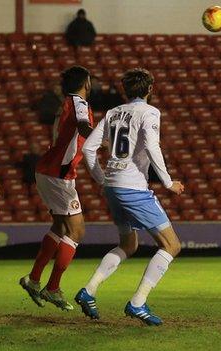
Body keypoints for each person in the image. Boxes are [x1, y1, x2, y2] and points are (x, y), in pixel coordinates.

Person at [75, 68, 184, 326]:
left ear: (125, 90)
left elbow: (89, 148)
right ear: (149, 89)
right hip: (133, 188)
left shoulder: (112, 113)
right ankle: (137, 303)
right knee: (171, 245)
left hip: (113, 187)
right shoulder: (149, 112)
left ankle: (88, 290)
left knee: (129, 245)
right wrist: (168, 182)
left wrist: (102, 179)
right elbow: (152, 146)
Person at [19, 66, 94, 311]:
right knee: (77, 231)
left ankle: (33, 278)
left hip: (48, 170)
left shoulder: (65, 103)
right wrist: (103, 139)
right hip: (58, 175)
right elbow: (83, 127)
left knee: (60, 227)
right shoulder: (79, 102)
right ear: (87, 83)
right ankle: (52, 288)